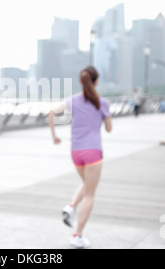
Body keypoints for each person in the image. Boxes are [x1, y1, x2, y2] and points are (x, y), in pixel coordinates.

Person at [48, 65, 112, 248]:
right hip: (93, 151)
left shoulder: (72, 100)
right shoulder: (102, 103)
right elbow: (108, 129)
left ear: (80, 81)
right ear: (96, 82)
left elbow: (51, 112)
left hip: (75, 152)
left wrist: (54, 136)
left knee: (86, 184)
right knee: (90, 193)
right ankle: (77, 235)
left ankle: (71, 206)